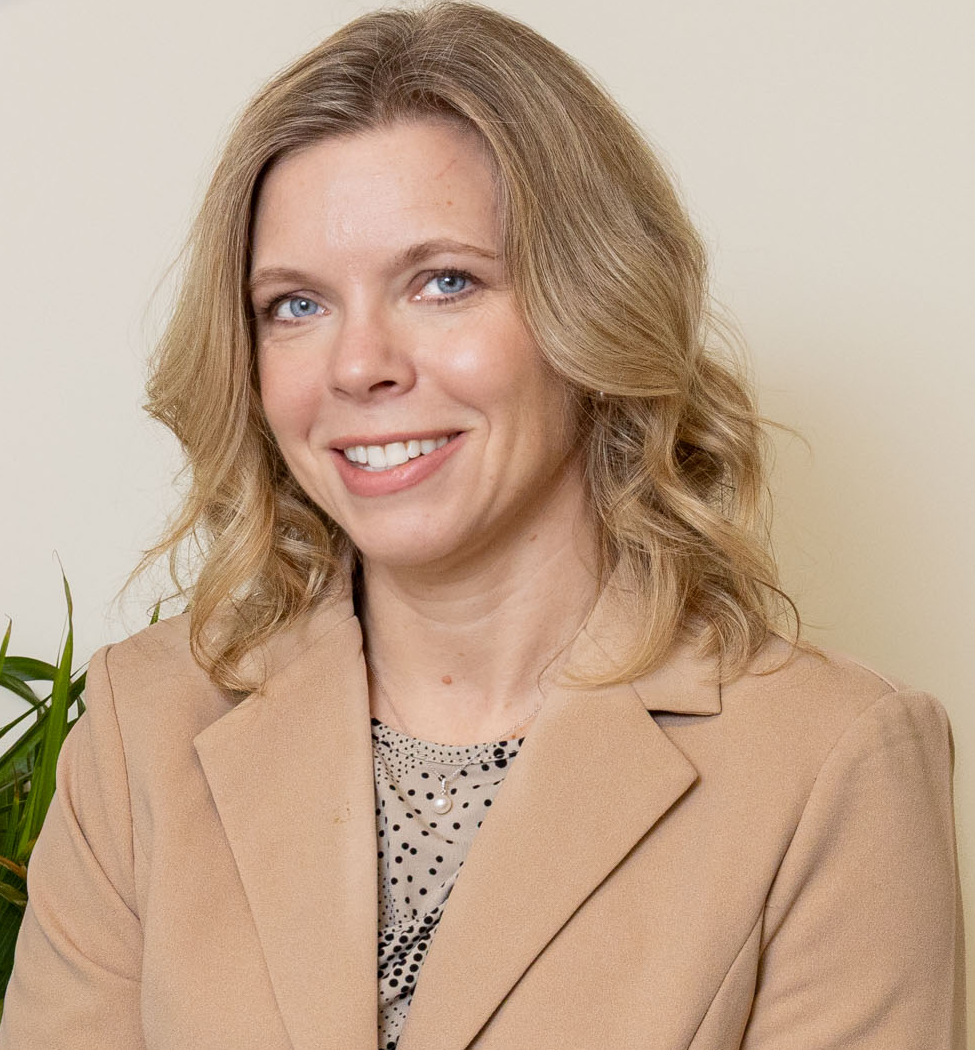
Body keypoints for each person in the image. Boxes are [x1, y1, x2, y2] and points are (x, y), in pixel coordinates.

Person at [0, 2, 965, 1047]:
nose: (360, 364)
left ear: (590, 308)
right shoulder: (146, 729)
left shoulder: (831, 764)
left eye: (443, 281)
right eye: (296, 305)